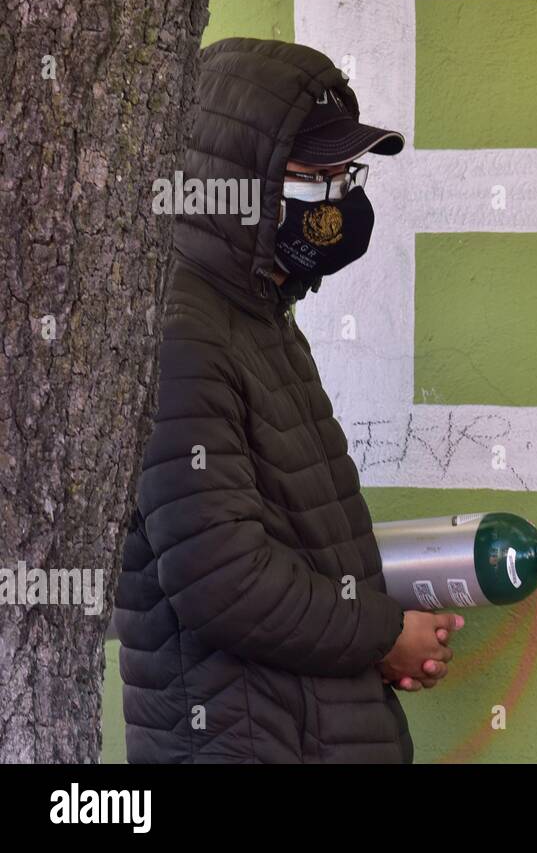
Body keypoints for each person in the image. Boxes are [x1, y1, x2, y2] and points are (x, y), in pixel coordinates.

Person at [115, 38, 457, 763]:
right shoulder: (177, 333)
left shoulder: (257, 317)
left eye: (347, 173)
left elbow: (294, 539)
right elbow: (224, 579)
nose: (340, 196)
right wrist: (383, 634)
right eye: (316, 175)